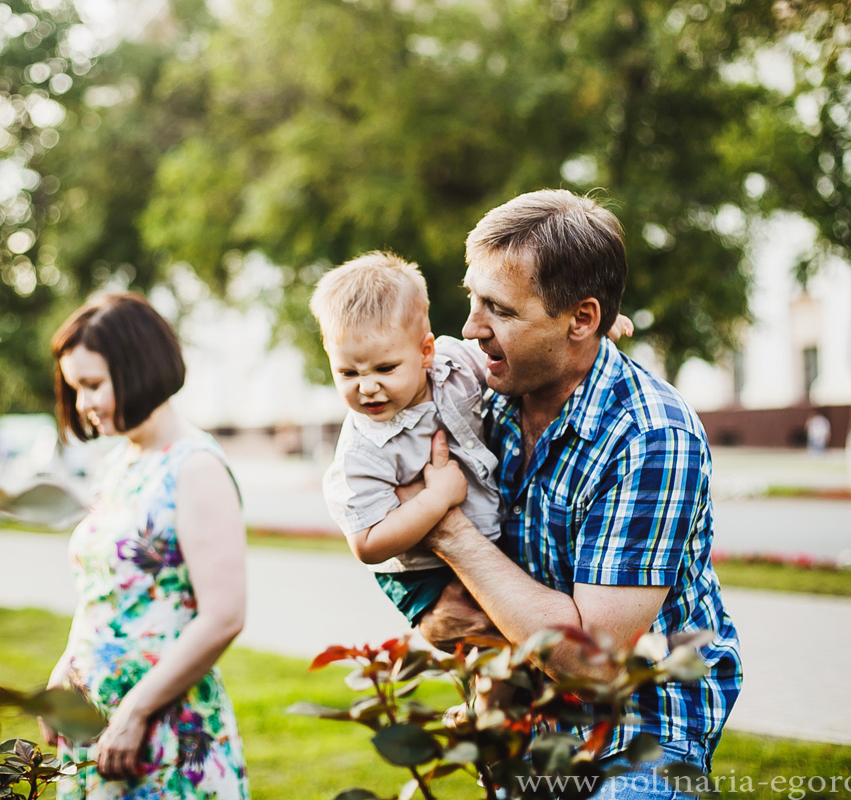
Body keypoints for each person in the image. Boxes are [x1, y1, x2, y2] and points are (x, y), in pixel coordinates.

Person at [412, 190, 742, 798]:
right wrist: (434, 616)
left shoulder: (651, 435)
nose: (470, 328)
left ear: (581, 320)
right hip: (522, 722)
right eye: (472, 299)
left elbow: (594, 663)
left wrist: (449, 533)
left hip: (640, 729)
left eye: (500, 310)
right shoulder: (485, 394)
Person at [40, 293, 249, 800]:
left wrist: (135, 712)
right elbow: (104, 593)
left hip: (165, 730)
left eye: (92, 385)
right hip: (98, 724)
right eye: (76, 388)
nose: (84, 404)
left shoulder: (195, 468)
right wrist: (65, 666)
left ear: (137, 369)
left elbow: (223, 616)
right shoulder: (121, 463)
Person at [309, 251, 500, 628]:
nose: (367, 387)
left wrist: (580, 335)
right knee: (483, 639)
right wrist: (436, 498)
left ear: (426, 351)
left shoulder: (456, 365)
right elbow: (367, 544)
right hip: (424, 571)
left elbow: (510, 358)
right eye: (348, 372)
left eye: (385, 368)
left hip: (492, 536)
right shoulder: (361, 451)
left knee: (523, 643)